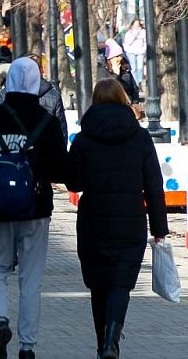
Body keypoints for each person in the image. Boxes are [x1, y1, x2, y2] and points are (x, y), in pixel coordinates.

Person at [0, 57, 69, 359]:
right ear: (36, 83)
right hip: (35, 210)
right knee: (31, 279)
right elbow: (60, 170)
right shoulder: (46, 121)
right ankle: (27, 346)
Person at [66, 78, 168, 359]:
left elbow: (73, 182)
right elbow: (154, 185)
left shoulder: (84, 138)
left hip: (93, 221)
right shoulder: (140, 137)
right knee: (120, 284)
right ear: (124, 99)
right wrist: (160, 229)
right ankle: (111, 340)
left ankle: (103, 344)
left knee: (99, 285)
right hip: (130, 220)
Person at [0, 54, 67, 138]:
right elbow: (61, 132)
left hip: (11, 146)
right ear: (40, 70)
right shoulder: (54, 96)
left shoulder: (4, 94)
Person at [103, 39, 141, 105]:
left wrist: (135, 104)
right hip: (112, 106)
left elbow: (134, 88)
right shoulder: (103, 71)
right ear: (109, 59)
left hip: (127, 106)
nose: (119, 59)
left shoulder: (125, 68)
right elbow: (108, 90)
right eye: (116, 56)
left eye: (120, 55)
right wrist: (116, 74)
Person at [121, 19, 146, 84]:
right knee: (133, 68)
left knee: (140, 68)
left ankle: (140, 82)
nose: (136, 26)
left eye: (138, 24)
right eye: (135, 24)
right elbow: (128, 42)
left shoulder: (143, 31)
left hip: (140, 52)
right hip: (131, 51)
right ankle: (136, 83)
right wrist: (135, 35)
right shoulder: (129, 33)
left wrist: (144, 49)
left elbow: (145, 41)